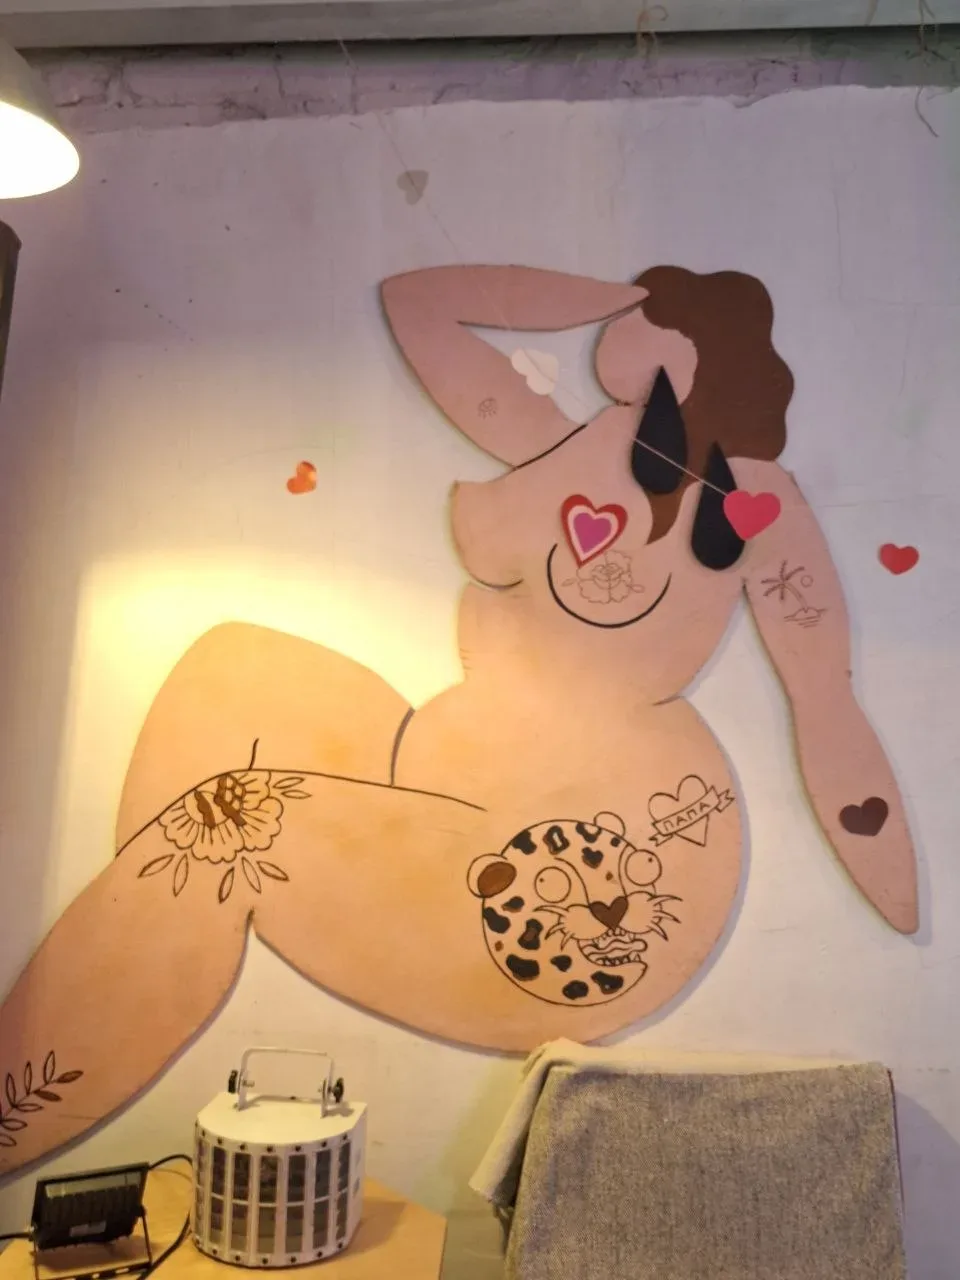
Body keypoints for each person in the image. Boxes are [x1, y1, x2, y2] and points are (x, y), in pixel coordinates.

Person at [0, 265, 917, 1175]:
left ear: (689, 353)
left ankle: (26, 1098)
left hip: (591, 852)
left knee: (234, 826)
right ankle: (133, 959)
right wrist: (610, 296)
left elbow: (826, 702)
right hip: (446, 783)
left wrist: (901, 907)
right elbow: (420, 307)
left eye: (643, 335)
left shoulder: (757, 506)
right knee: (231, 671)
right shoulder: (580, 444)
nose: (617, 351)